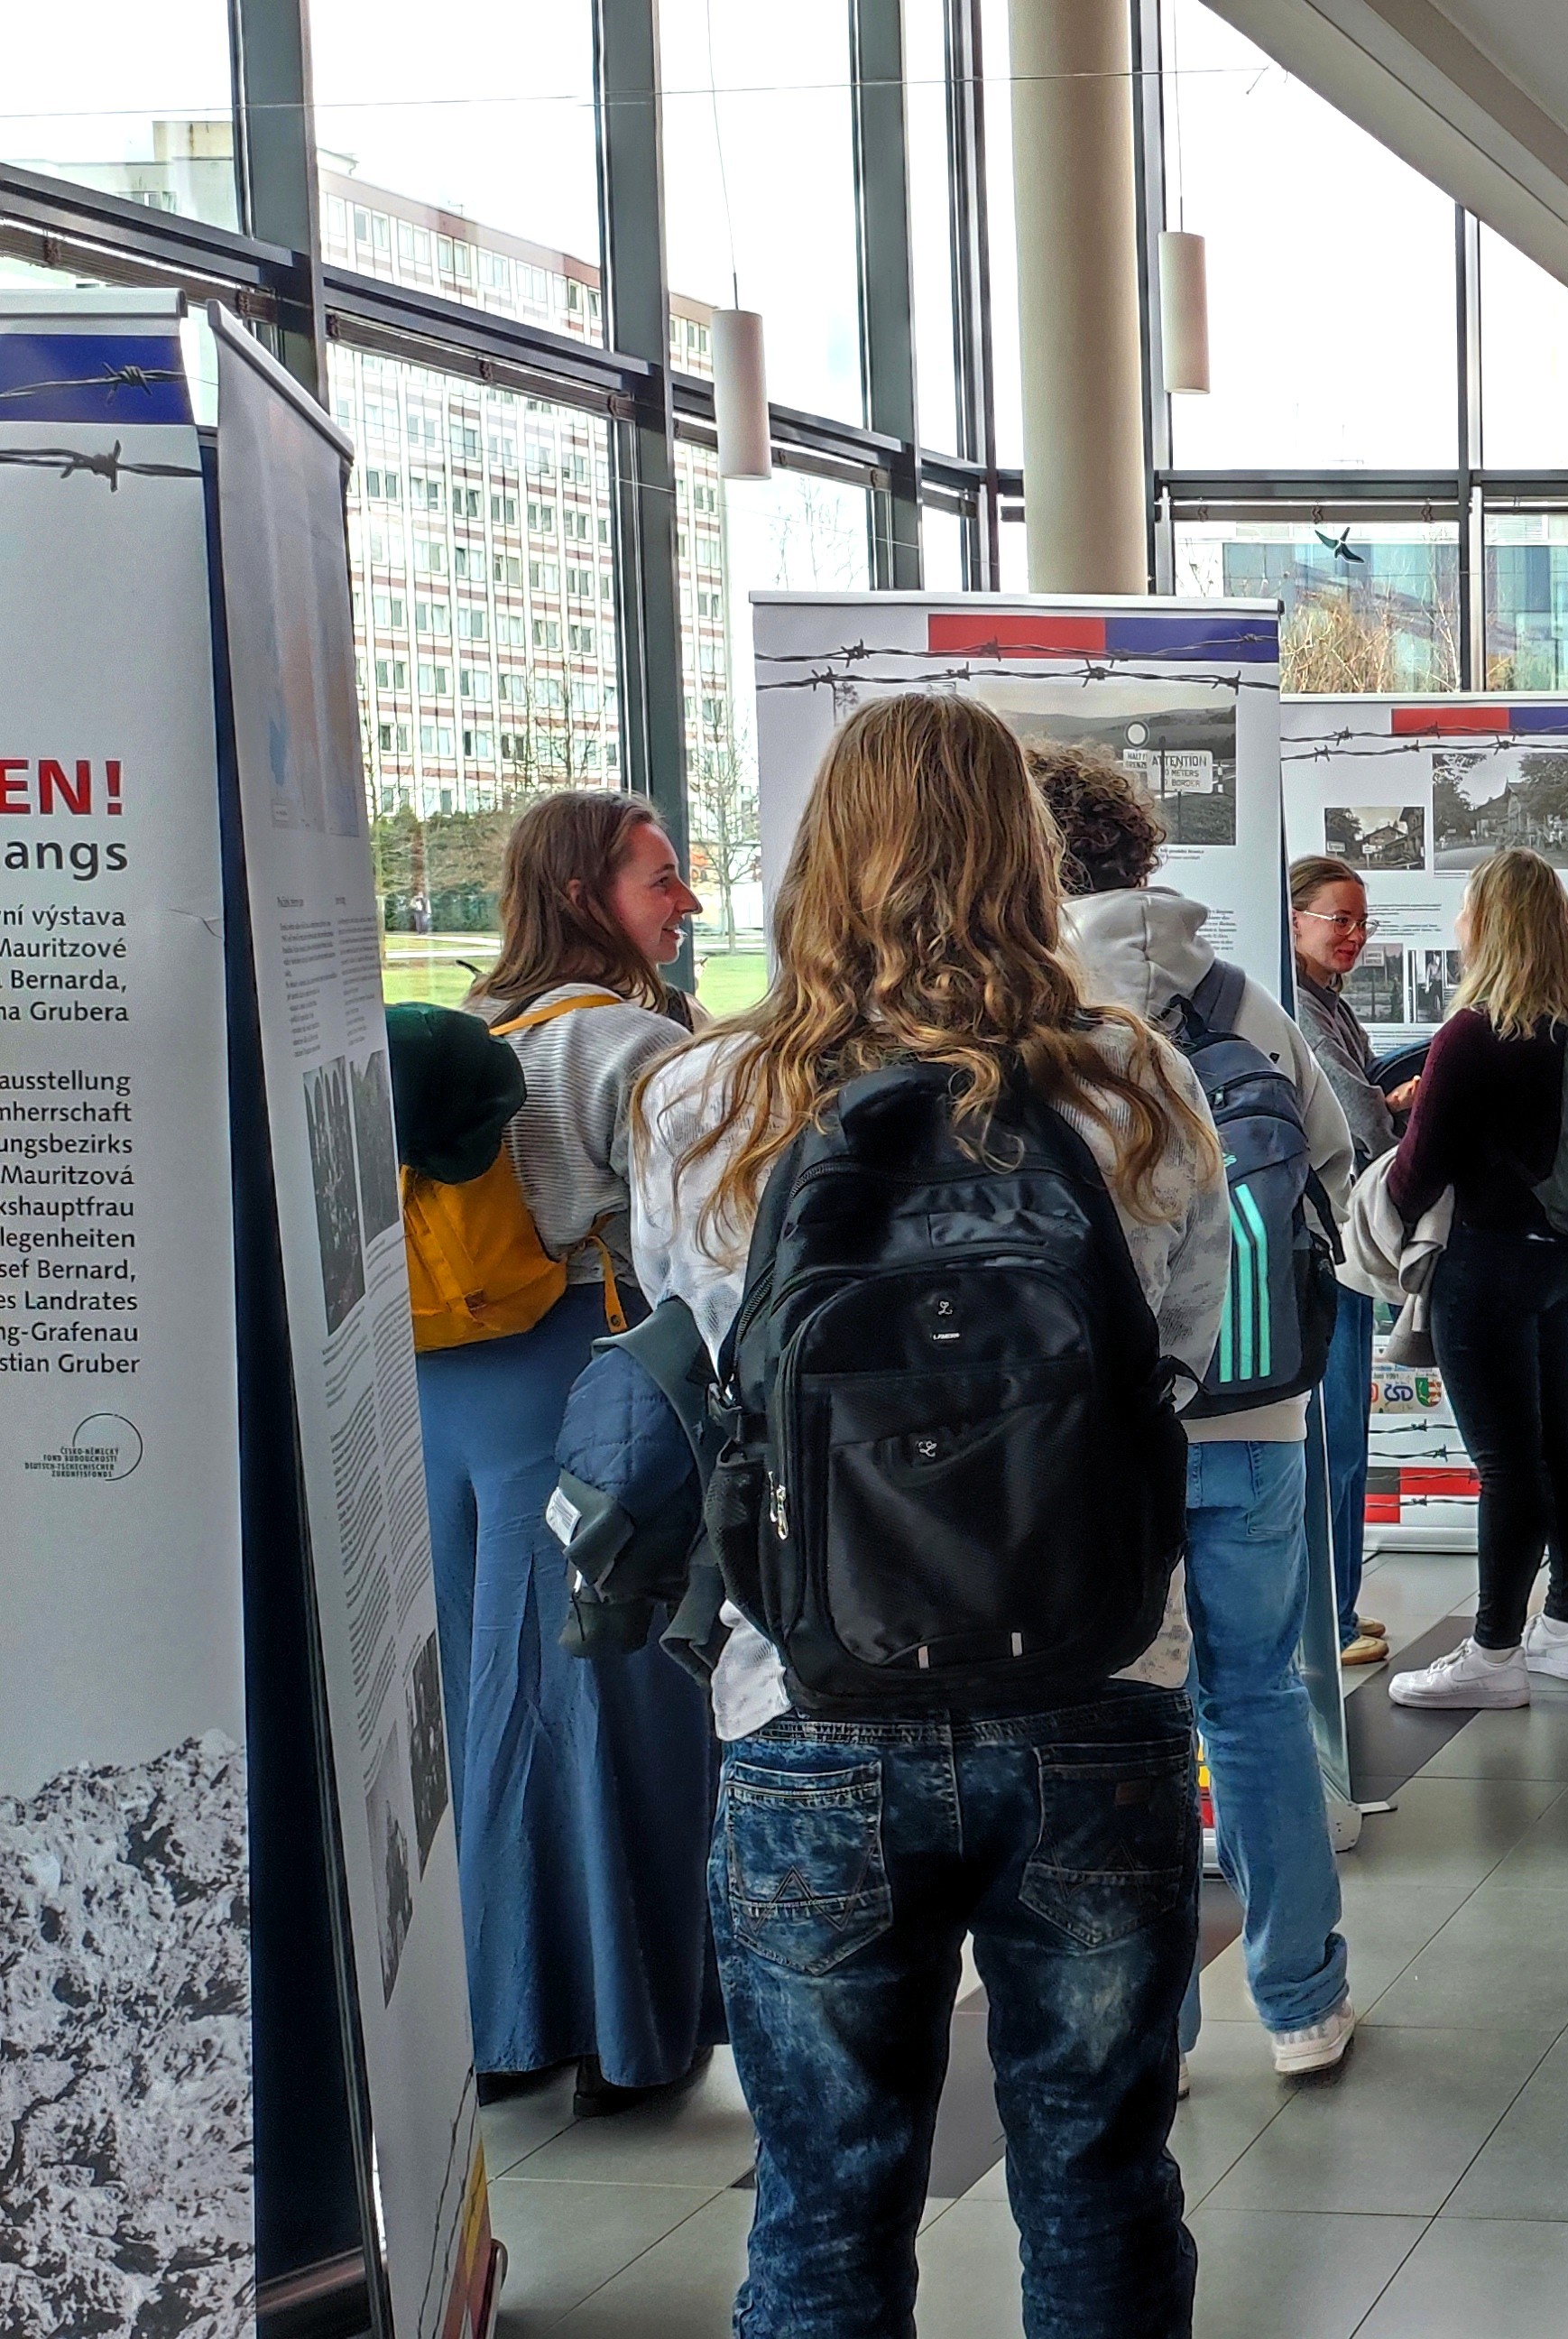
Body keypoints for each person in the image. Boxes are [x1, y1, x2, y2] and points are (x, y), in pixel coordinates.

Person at [629, 693, 1224, 2334]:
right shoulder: (1136, 1082)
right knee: (1101, 2178)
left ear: (819, 858)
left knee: (824, 2201)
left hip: (805, 1697)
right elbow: (1176, 1361)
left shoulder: (705, 1098)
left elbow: (706, 1362)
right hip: (1096, 1680)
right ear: (1028, 857)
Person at [1045, 756, 1359, 2077]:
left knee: (1129, 1719)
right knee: (1259, 1697)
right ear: (1145, 855)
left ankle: (1153, 2030)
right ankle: (1302, 2004)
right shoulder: (1243, 1003)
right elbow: (1331, 1167)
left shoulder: (1030, 1013)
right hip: (1258, 1408)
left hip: (1101, 1429)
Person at [420, 788, 721, 2112]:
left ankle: (497, 2023)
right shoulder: (629, 1045)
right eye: (660, 878)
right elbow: (701, 1246)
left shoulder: (471, 1024)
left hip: (449, 1400)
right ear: (584, 895)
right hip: (587, 1396)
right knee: (611, 1696)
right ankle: (619, 2032)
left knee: (474, 1707)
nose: (686, 901)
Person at [1384, 847, 1568, 1708]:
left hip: (1484, 1262)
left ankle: (1492, 1654)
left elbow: (1419, 1173)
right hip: (1564, 1258)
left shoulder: (1471, 1034)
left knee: (1505, 1464)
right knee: (1564, 1441)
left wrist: (1384, 1184)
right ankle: (1564, 1630)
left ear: (1487, 925)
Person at [1287, 854, 1401, 1667]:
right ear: (1293, 919)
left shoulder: (1326, 1000)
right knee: (1334, 1438)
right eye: (1339, 919)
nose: (1354, 935)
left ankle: (1342, 1606)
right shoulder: (1299, 1005)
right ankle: (1328, 1620)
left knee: (1344, 1435)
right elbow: (1351, 1111)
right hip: (1329, 1244)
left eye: (1362, 920)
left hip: (1341, 1238)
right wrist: (1391, 1122)